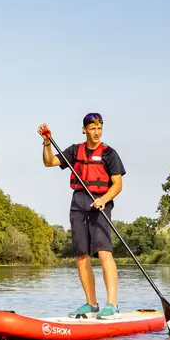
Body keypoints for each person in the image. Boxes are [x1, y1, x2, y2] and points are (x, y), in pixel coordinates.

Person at [40, 113, 125, 318]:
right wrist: (46, 143)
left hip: (100, 203)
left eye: (99, 128)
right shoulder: (75, 151)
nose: (96, 132)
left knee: (104, 252)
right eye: (92, 128)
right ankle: (91, 304)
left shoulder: (109, 154)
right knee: (81, 256)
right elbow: (49, 162)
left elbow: (118, 184)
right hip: (78, 203)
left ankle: (112, 305)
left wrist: (104, 199)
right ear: (84, 129)